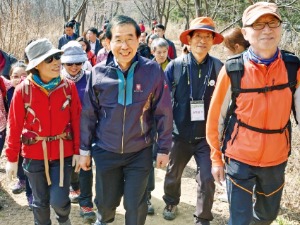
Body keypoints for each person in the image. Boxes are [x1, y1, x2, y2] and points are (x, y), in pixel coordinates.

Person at [206, 2, 300, 225]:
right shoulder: (233, 69)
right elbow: (215, 119)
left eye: (272, 22)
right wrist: (216, 159)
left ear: (280, 28)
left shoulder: (292, 67)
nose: (266, 29)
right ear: (245, 33)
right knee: (239, 219)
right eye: (258, 25)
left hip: (276, 158)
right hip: (239, 158)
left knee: (266, 216)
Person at [79, 15, 173, 225]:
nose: (124, 45)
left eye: (130, 38)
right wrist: (84, 150)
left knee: (136, 205)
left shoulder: (152, 71)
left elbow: (164, 112)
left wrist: (164, 148)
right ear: (108, 42)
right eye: (118, 39)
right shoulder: (98, 73)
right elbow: (88, 115)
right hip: (105, 151)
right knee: (105, 204)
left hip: (139, 152)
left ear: (139, 39)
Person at [5, 38, 81, 225]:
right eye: (50, 59)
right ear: (36, 65)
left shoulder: (68, 87)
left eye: (56, 57)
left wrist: (78, 150)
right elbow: (14, 126)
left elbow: (77, 121)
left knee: (59, 200)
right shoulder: (23, 90)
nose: (56, 62)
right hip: (33, 154)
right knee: (40, 202)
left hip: (62, 152)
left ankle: (64, 220)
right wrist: (12, 158)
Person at [162, 17, 224, 225]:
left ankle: (203, 217)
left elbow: (227, 103)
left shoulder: (218, 68)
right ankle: (171, 201)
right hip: (179, 133)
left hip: (206, 137)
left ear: (213, 41)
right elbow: (161, 100)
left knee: (207, 178)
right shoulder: (175, 66)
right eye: (198, 36)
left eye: (208, 36)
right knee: (173, 172)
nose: (203, 41)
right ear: (189, 39)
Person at [61, 41, 96, 223]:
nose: (74, 67)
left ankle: (86, 203)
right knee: (69, 165)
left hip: (87, 131)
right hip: (65, 132)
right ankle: (74, 186)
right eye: (69, 64)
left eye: (78, 63)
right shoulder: (58, 80)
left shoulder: (91, 78)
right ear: (63, 64)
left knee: (86, 165)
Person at [7, 61, 33, 210]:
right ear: (10, 78)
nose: (19, 79)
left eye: (24, 75)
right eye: (15, 76)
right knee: (17, 160)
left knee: (28, 164)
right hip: (12, 135)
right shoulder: (8, 91)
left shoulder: (31, 92)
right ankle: (21, 179)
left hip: (29, 137)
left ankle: (31, 195)